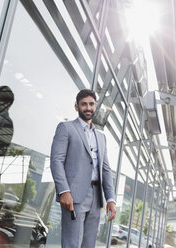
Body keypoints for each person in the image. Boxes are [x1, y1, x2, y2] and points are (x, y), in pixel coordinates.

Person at [50, 89, 116, 248]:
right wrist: (64, 191)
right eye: (84, 104)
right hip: (74, 195)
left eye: (91, 104)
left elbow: (105, 169)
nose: (88, 107)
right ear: (76, 106)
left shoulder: (101, 136)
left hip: (96, 197)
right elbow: (56, 160)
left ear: (95, 106)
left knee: (89, 245)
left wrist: (111, 199)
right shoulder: (66, 128)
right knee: (72, 244)